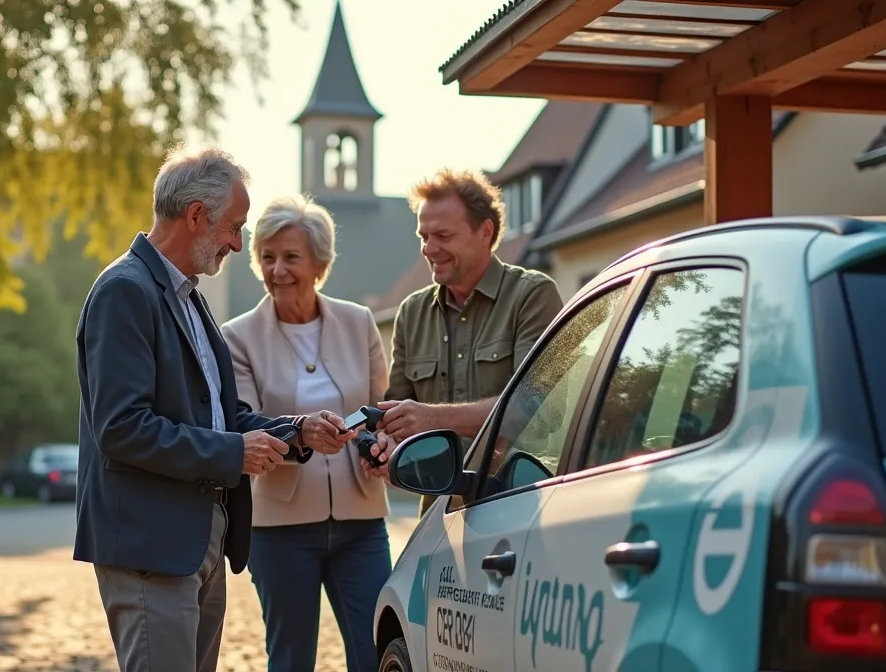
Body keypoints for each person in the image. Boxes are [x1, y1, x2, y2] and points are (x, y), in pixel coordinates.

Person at [73, 144, 357, 672]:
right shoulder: (125, 292)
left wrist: (296, 432)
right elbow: (123, 429)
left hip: (198, 538)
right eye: (234, 227)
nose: (237, 243)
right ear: (197, 215)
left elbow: (221, 419)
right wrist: (233, 452)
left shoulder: (189, 297)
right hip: (150, 545)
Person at [219, 194, 391, 672]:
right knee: (291, 660)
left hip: (362, 523)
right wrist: (302, 434)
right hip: (280, 530)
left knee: (378, 652)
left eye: (291, 257)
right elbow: (244, 421)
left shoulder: (359, 323)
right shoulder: (236, 337)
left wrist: (376, 444)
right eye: (267, 257)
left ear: (320, 263)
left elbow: (378, 411)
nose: (278, 270)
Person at [360, 168, 565, 515]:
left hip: (517, 504)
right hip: (438, 514)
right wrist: (385, 446)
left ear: (485, 232)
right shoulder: (412, 312)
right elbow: (397, 415)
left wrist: (430, 419)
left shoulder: (533, 295)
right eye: (423, 236)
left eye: (443, 235)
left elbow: (536, 410)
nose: (429, 249)